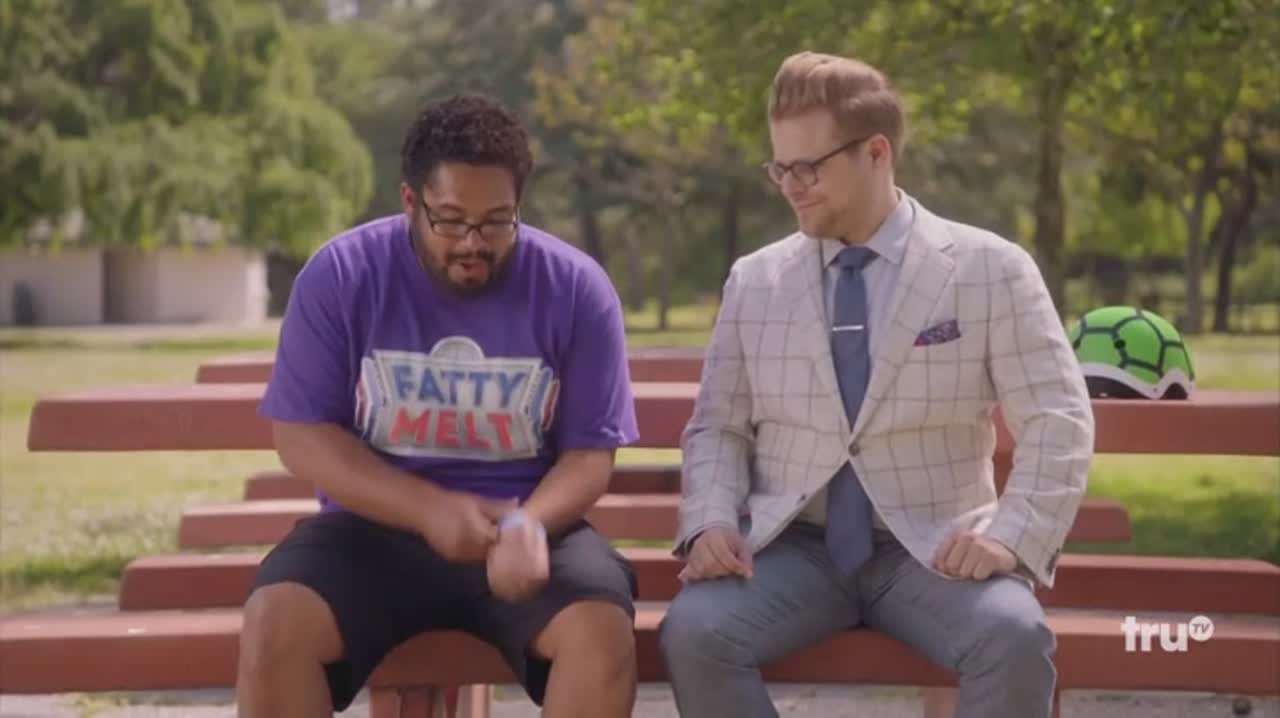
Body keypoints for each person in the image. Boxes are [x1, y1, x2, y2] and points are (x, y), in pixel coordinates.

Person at [660, 52, 1095, 718]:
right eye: (780, 168)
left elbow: (1058, 417)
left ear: (876, 152)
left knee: (1014, 637)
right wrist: (711, 521)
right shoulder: (755, 280)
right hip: (791, 550)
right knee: (694, 634)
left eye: (808, 167)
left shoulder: (991, 268)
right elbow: (718, 425)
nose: (791, 186)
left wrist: (1011, 535)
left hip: (934, 551)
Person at [236, 94, 640, 718]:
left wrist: (528, 526)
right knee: (274, 624)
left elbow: (589, 456)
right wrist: (428, 510)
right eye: (450, 220)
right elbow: (301, 435)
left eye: (497, 221)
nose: (472, 243)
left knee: (602, 635)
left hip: (526, 531)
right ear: (410, 201)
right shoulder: (341, 274)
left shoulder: (576, 288)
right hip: (370, 532)